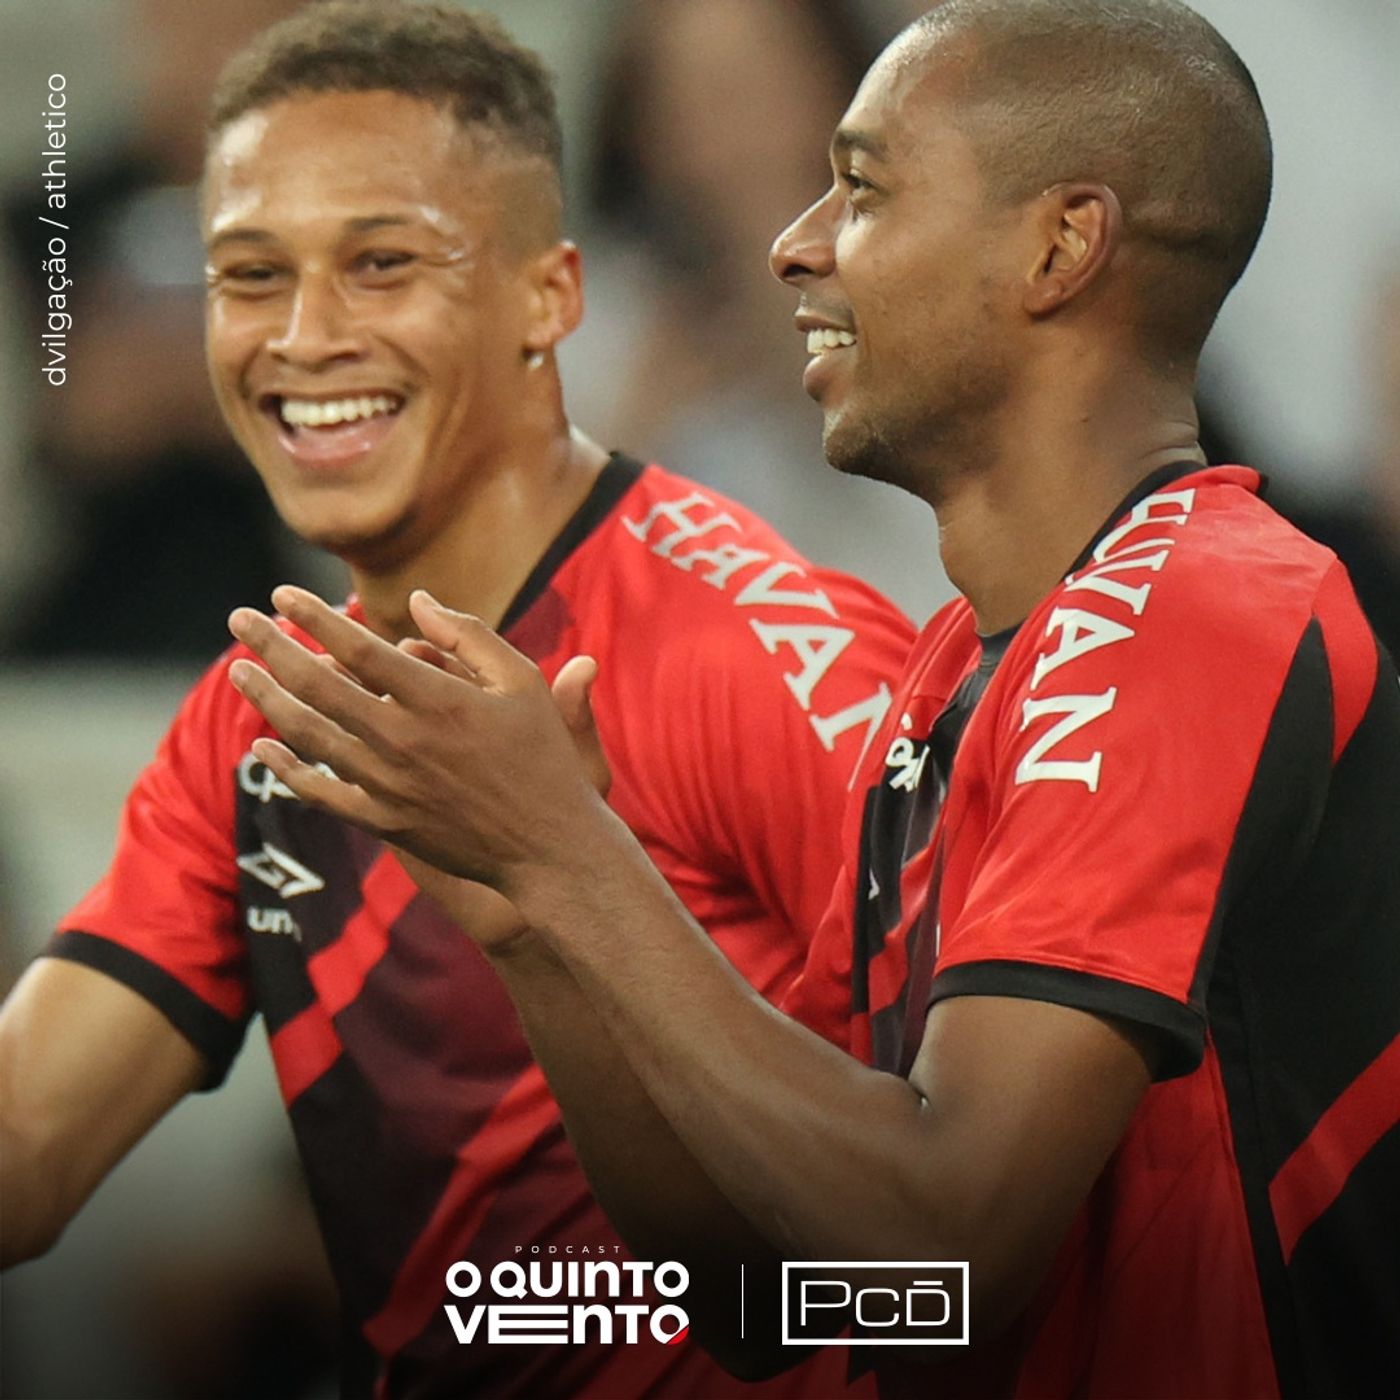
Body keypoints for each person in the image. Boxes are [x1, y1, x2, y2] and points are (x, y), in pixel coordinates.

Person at [221, 1, 1400, 1396]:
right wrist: (534, 923)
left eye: (865, 190)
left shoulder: (1196, 605)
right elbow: (768, 1300)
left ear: (1059, 247)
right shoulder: (945, 683)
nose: (794, 242)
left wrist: (573, 857)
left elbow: (948, 1250)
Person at [0, 5, 914, 1398]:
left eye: (381, 265)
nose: (302, 338)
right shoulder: (263, 718)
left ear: (548, 296)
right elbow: (25, 1154)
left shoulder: (774, 656)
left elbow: (968, 1272)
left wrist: (598, 1317)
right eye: (250, 275)